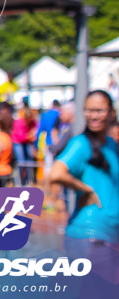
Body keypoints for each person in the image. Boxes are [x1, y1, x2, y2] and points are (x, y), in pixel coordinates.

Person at [49, 90, 119, 291]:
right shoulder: (80, 143)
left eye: (99, 110)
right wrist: (85, 190)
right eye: (89, 110)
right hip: (90, 237)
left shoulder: (111, 145)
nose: (93, 116)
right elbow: (56, 173)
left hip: (108, 237)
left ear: (111, 113)